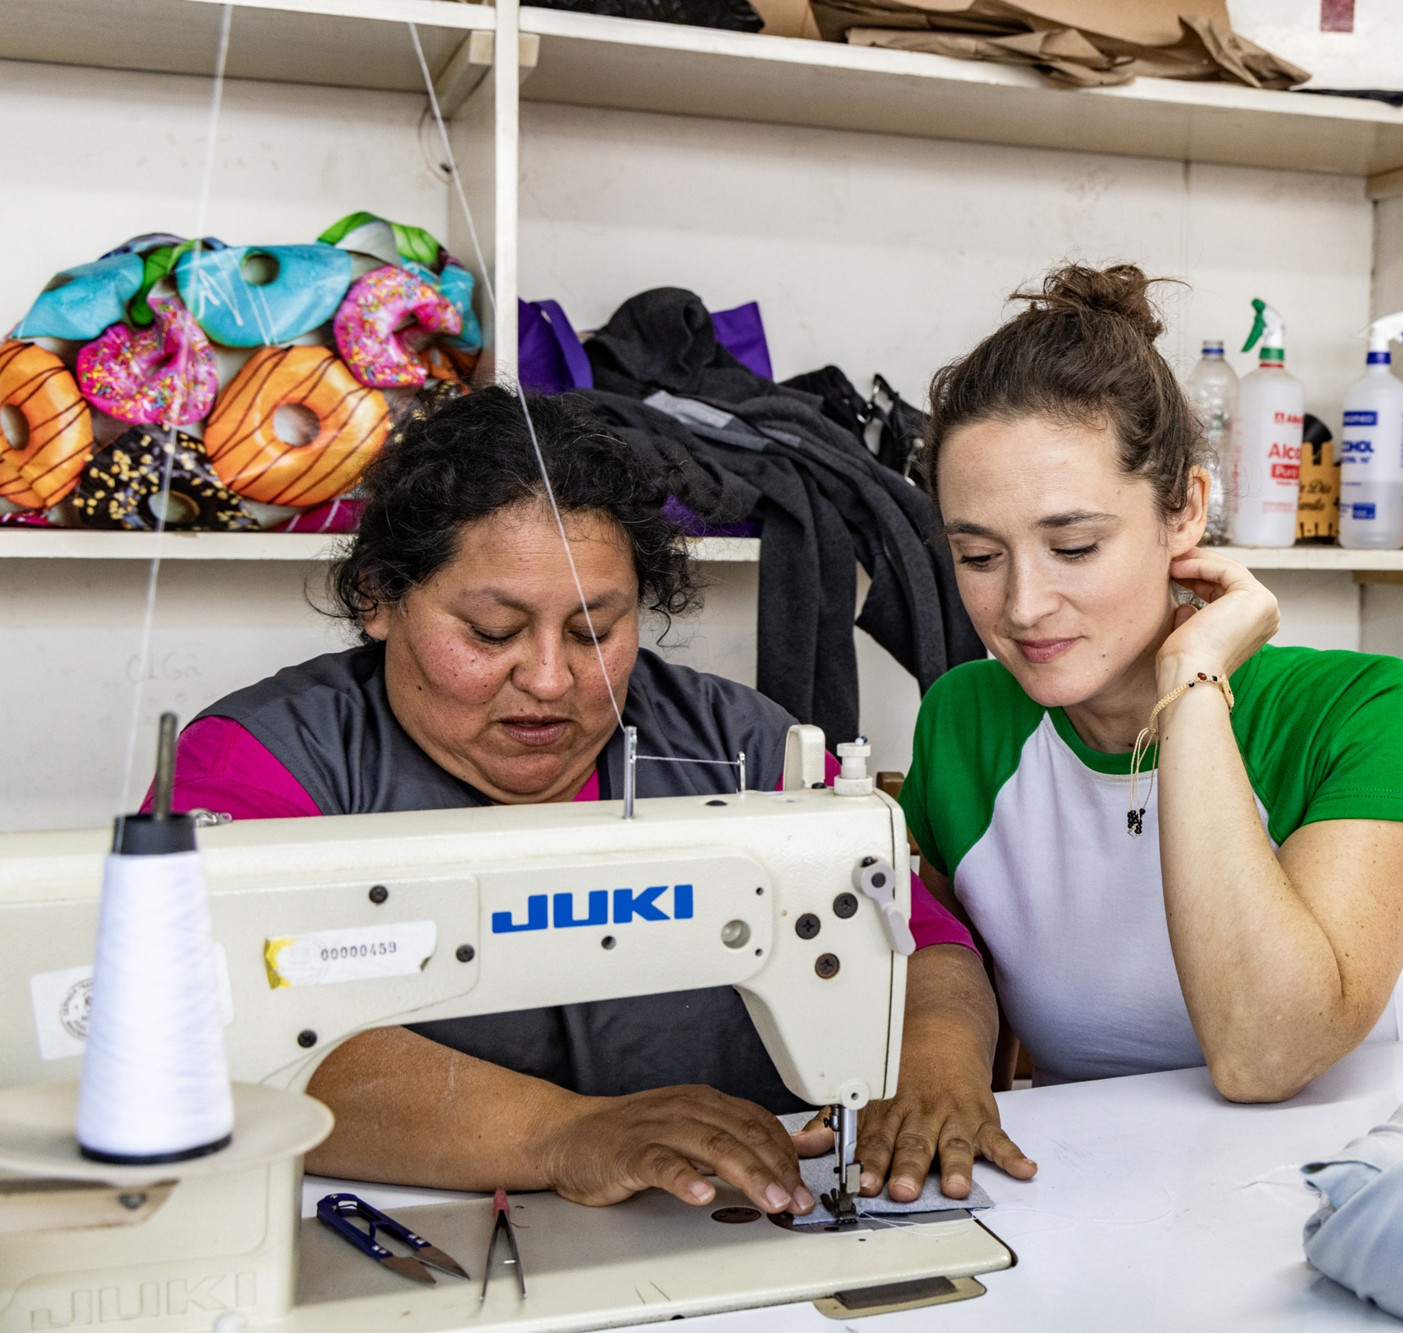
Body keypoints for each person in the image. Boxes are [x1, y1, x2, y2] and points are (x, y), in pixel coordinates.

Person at [165, 386, 1033, 1215]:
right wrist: (561, 1134)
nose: (550, 679)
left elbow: (916, 942)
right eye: (493, 632)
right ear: (378, 598)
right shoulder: (259, 764)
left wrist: (933, 1065)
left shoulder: (742, 742)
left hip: (710, 1218)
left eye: (595, 631)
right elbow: (204, 1030)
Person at [893, 265, 1403, 1111]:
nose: (1021, 605)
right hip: (1083, 1179)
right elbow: (945, 975)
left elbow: (1265, 1053)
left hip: (1334, 1178)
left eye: (1074, 547)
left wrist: (1194, 681)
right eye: (979, 556)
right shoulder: (965, 718)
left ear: (1185, 510)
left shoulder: (1371, 711)